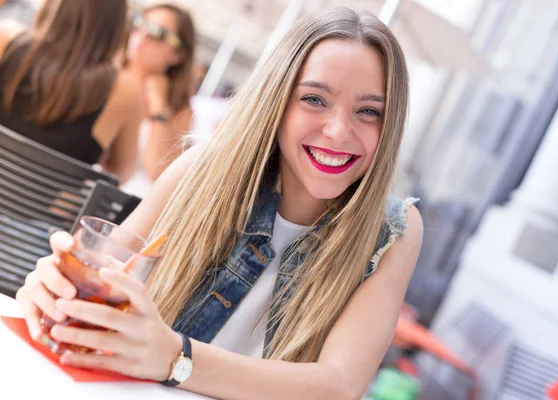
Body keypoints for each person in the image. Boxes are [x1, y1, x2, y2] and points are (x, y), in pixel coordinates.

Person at [16, 8, 423, 399]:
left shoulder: (394, 231)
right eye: (314, 99)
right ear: (276, 99)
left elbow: (338, 386)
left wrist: (174, 357)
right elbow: (98, 274)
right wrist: (51, 290)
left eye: (369, 111)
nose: (337, 132)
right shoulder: (200, 171)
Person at [0, 0, 143, 183]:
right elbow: (119, 175)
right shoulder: (124, 89)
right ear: (117, 22)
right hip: (48, 210)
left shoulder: (5, 41)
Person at [124, 3, 196, 182]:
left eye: (158, 33)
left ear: (177, 55)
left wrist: (159, 107)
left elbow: (156, 174)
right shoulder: (108, 78)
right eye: (139, 23)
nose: (143, 34)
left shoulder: (181, 110)